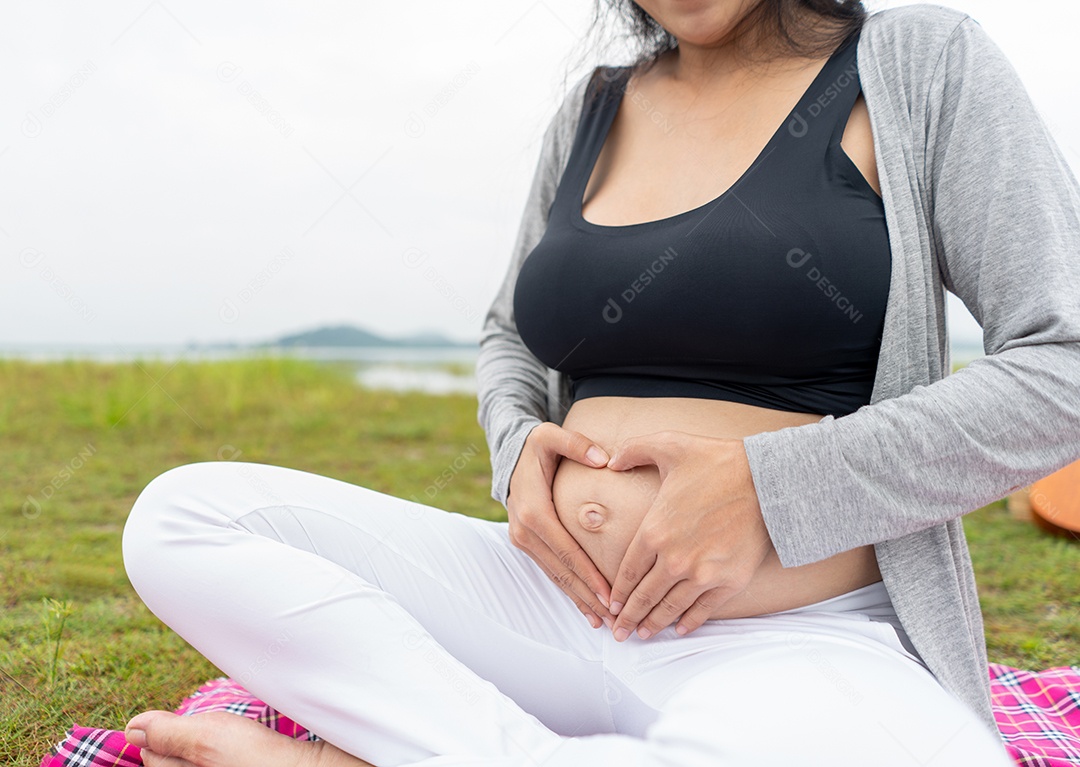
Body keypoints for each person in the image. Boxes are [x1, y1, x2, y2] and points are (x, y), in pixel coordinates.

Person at [119, 1, 1080, 765]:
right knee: (184, 518)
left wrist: (768, 486)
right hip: (542, 608)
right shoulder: (597, 105)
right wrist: (515, 453)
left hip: (793, 634)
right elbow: (510, 332)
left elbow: (1063, 363)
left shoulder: (917, 63)